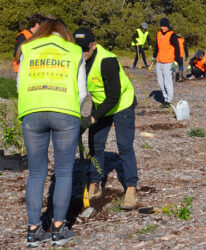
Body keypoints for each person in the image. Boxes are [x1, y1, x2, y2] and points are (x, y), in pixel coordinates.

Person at [16, 17, 87, 247]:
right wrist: (73, 111)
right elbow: (82, 90)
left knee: (36, 173)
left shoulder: (28, 48)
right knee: (64, 171)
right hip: (64, 111)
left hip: (32, 110)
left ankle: (33, 230)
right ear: (63, 32)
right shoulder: (74, 51)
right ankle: (58, 228)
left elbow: (19, 84)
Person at [74, 27, 139, 210]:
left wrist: (91, 119)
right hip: (101, 104)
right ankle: (95, 183)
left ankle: (132, 187)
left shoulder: (107, 60)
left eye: (85, 49)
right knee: (95, 145)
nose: (81, 53)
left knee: (124, 146)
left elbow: (113, 96)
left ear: (93, 45)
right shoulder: (76, 61)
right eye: (77, 48)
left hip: (121, 104)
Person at [152, 17, 180, 108]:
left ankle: (169, 100)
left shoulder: (172, 35)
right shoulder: (159, 34)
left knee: (168, 82)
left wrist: (176, 61)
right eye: (161, 26)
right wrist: (154, 56)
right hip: (160, 61)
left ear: (168, 26)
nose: (163, 28)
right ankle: (165, 97)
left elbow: (177, 48)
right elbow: (157, 46)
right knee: (160, 82)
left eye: (164, 26)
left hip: (168, 62)